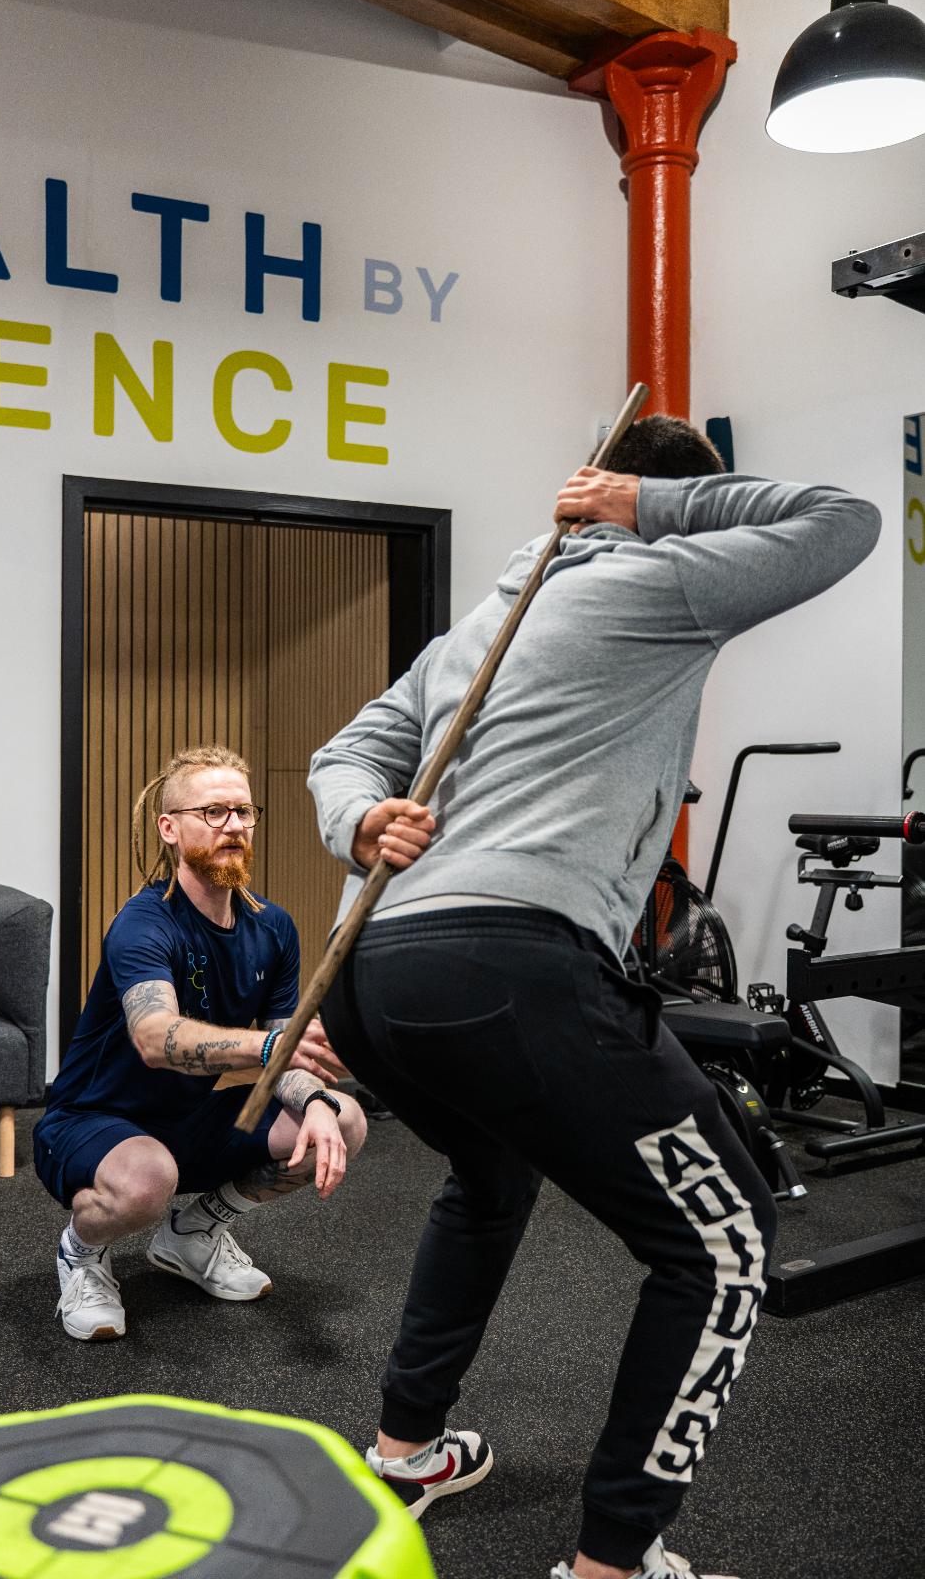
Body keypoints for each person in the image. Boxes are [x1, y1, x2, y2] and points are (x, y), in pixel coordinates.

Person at [307, 417, 881, 1579]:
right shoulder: (660, 574)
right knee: (722, 1247)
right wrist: (654, 507)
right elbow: (840, 520)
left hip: (375, 972)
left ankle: (405, 1449)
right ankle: (610, 1565)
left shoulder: (480, 621)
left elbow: (343, 752)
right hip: (504, 967)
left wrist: (357, 819)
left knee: (490, 1178)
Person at [34, 742, 366, 1341]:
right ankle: (82, 1253)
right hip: (93, 1120)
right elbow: (154, 1037)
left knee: (343, 1120)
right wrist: (272, 1048)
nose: (233, 825)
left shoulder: (274, 927)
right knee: (146, 1180)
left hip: (191, 1119)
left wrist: (313, 1101)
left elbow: (280, 1046)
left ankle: (192, 1234)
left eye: (243, 811)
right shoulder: (144, 922)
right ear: (169, 827)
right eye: (213, 812)